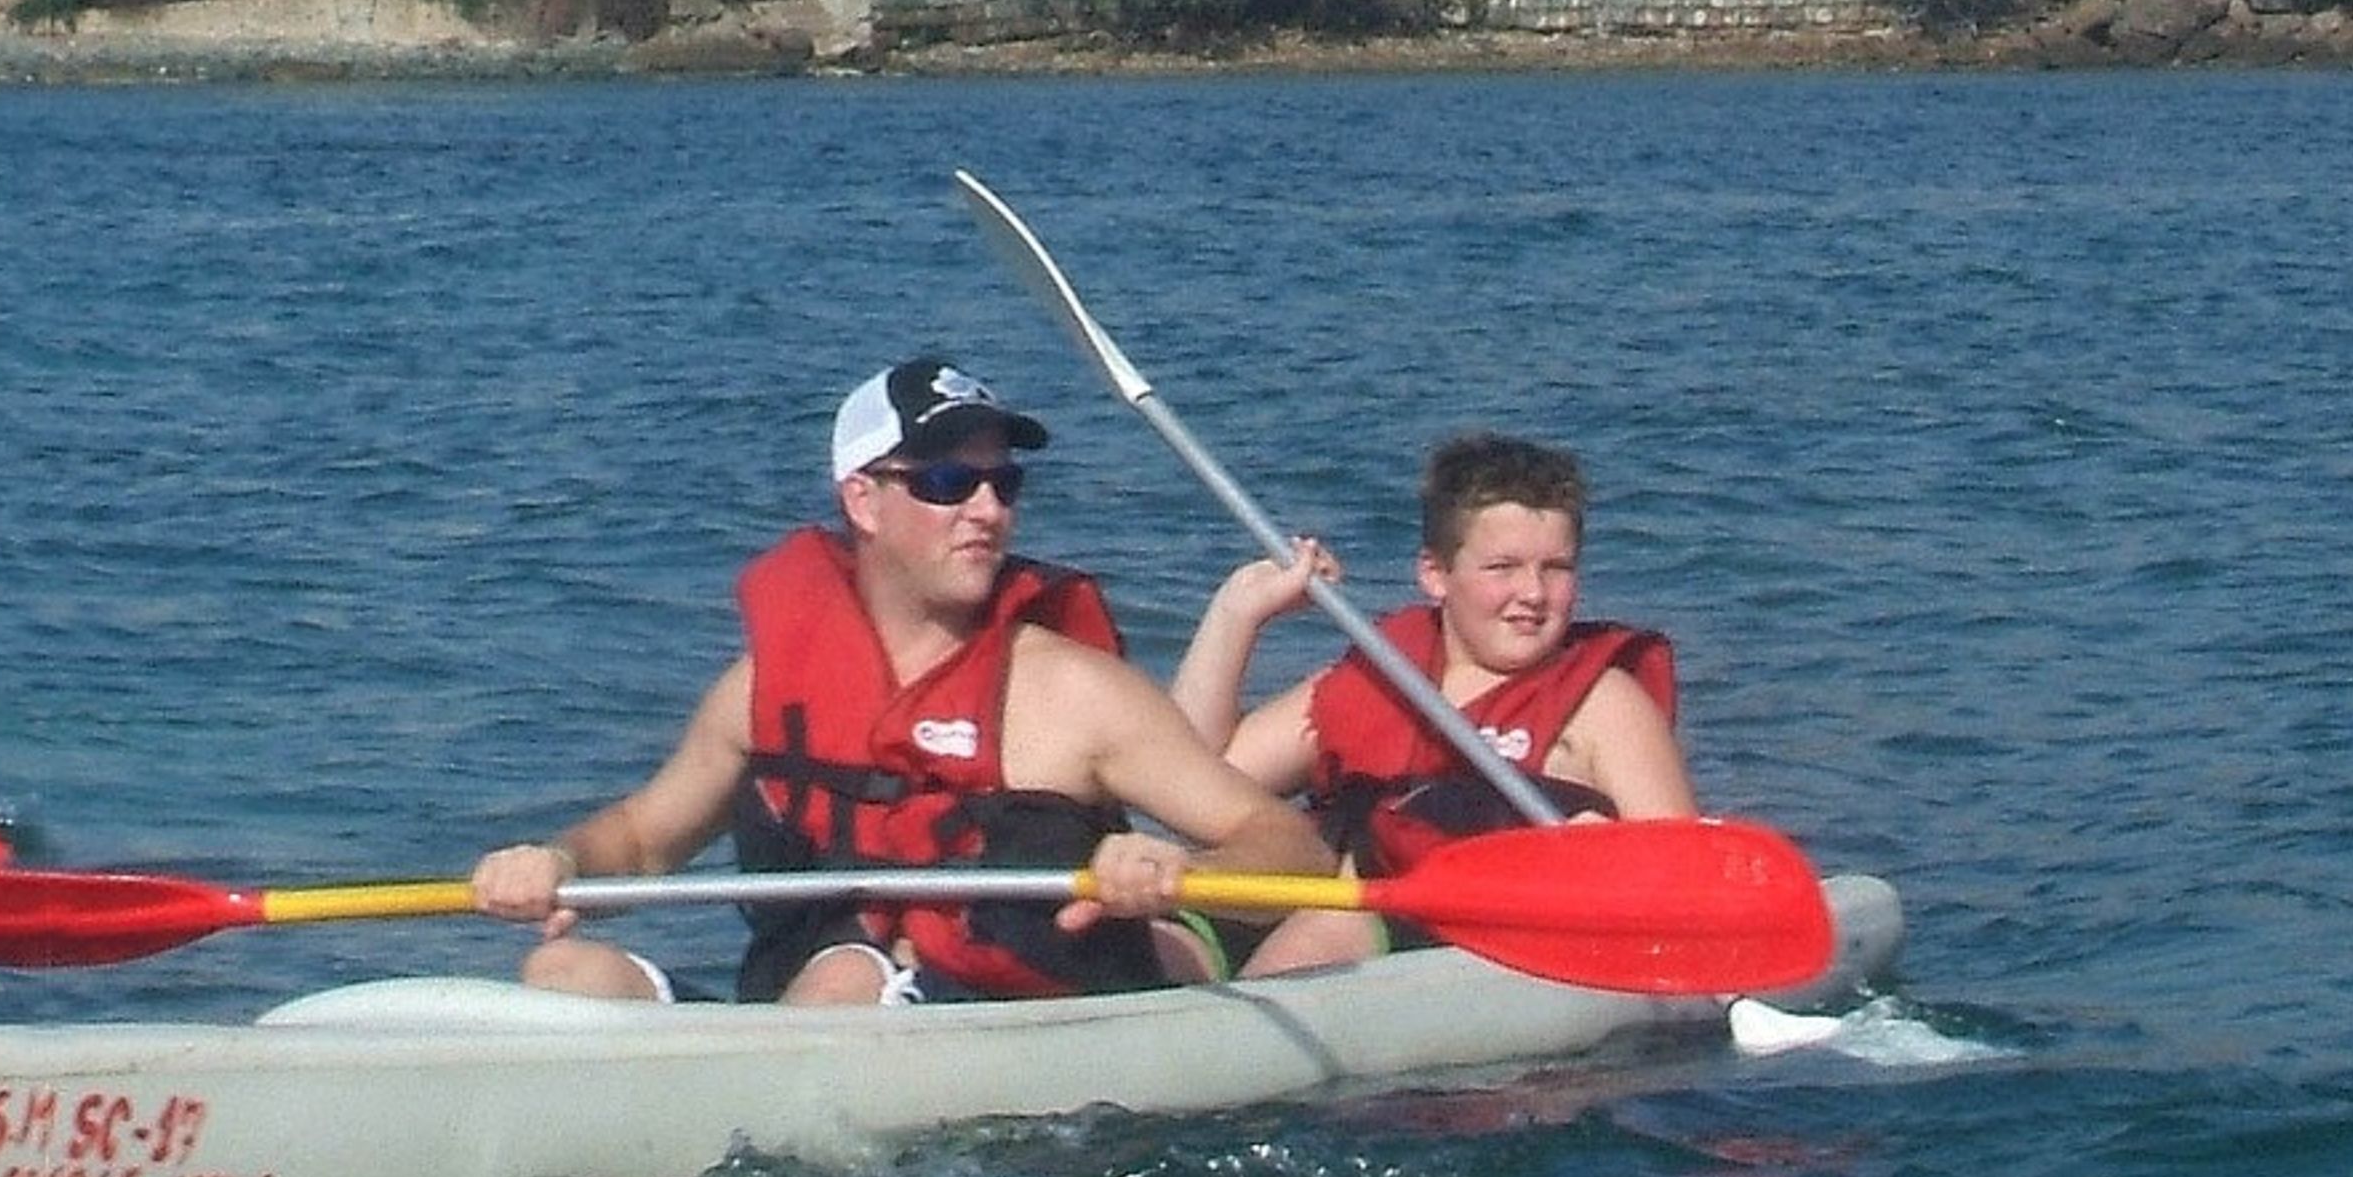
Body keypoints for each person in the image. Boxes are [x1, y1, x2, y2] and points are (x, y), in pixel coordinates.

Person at [469, 356, 1333, 1005]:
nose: (987, 509)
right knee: (563, 971)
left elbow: (1292, 852)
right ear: (861, 500)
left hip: (1013, 1027)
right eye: (949, 482)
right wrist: (560, 859)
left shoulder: (1075, 694)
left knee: (844, 980)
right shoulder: (764, 688)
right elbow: (645, 837)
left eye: (1003, 482)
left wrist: (1173, 870)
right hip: (816, 1019)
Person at [1171, 432, 1695, 973]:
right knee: (1164, 934)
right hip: (1318, 900)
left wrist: (1614, 864)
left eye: (1556, 568)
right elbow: (1192, 781)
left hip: (1447, 936)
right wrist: (1237, 615)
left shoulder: (1605, 707)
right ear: (1434, 575)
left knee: (1328, 930)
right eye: (1502, 568)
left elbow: (1684, 882)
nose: (1534, 593)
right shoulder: (1380, 673)